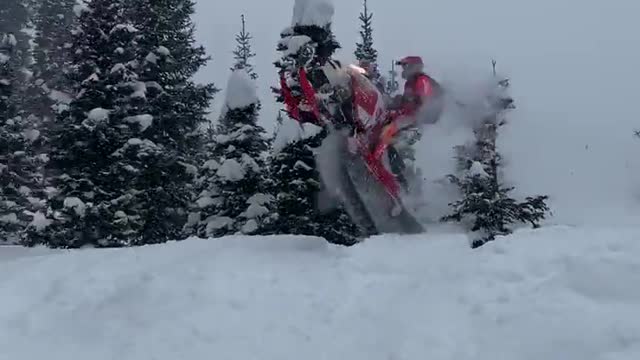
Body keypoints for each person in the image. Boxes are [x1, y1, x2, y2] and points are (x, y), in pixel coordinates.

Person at [379, 56, 445, 190]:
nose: (403, 69)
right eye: (403, 66)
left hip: (422, 121)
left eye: (406, 66)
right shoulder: (410, 83)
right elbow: (407, 104)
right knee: (386, 130)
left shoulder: (421, 80)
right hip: (412, 119)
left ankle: (401, 177)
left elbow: (423, 103)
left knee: (390, 137)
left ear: (415, 67)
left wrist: (404, 109)